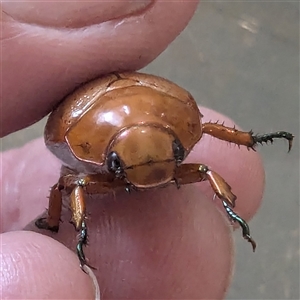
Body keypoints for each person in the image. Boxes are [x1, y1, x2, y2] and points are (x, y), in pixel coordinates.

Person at [0, 2, 264, 299]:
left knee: (204, 170)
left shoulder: (181, 120)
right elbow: (69, 183)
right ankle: (61, 224)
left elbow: (206, 129)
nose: (151, 173)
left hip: (141, 105)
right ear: (107, 160)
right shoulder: (82, 140)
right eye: (118, 165)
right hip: (92, 112)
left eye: (175, 152)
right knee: (72, 183)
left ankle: (58, 224)